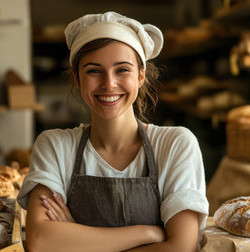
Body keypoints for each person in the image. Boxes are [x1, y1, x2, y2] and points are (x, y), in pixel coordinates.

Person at [17, 11, 209, 251]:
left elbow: (181, 247)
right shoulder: (55, 146)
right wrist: (148, 233)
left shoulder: (175, 144)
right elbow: (41, 241)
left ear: (140, 76)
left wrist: (76, 239)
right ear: (77, 78)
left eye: (122, 70)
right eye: (94, 71)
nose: (109, 83)